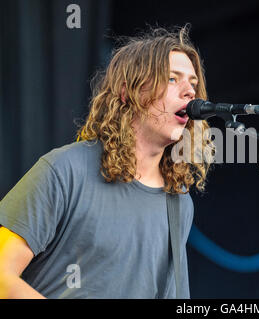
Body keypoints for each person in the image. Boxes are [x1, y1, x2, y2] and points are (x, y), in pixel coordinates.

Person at [0, 25, 214, 298]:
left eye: (193, 83)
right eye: (173, 79)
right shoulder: (65, 171)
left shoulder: (179, 203)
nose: (189, 92)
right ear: (128, 93)